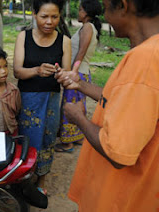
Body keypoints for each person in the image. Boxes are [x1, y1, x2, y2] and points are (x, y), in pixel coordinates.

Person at [55, 0, 159, 211]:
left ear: (123, 5)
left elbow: (117, 153)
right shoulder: (151, 53)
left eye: (105, 7)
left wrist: (79, 119)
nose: (105, 18)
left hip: (121, 200)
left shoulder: (145, 60)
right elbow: (127, 102)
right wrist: (81, 85)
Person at [13, 0, 71, 193]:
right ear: (34, 14)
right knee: (25, 139)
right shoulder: (24, 37)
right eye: (44, 16)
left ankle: (41, 180)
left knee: (47, 140)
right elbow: (17, 72)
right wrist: (37, 70)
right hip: (27, 99)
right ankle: (22, 178)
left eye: (54, 17)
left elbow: (67, 77)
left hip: (51, 101)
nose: (49, 21)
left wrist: (60, 74)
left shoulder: (65, 41)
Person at [55, 0, 102, 152]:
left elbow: (81, 52)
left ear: (86, 12)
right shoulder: (88, 27)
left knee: (70, 106)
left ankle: (67, 142)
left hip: (79, 72)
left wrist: (73, 72)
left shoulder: (88, 27)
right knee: (78, 105)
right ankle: (78, 137)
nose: (78, 12)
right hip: (82, 72)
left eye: (80, 9)